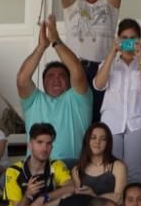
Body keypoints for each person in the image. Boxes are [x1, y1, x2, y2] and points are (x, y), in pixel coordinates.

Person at [60, 0, 122, 120]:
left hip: (101, 69)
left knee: (98, 117)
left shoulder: (109, 3)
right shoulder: (73, 2)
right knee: (75, 118)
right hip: (74, 67)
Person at [17, 14, 92, 163]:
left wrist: (56, 41)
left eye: (62, 76)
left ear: (70, 81)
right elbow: (22, 79)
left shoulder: (78, 98)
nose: (56, 79)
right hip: (36, 168)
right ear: (43, 83)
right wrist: (41, 47)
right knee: (3, 179)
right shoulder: (34, 100)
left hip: (71, 165)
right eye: (50, 76)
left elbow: (77, 70)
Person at [93, 18, 141, 183]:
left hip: (139, 123)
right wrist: (111, 54)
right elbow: (99, 85)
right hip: (111, 124)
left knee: (134, 175)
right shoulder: (108, 63)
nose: (128, 42)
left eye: (133, 38)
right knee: (111, 175)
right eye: (124, 38)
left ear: (139, 40)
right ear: (118, 39)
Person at [4, 123, 73, 206]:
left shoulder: (57, 165)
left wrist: (43, 198)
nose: (44, 148)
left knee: (69, 197)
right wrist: (28, 195)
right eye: (40, 142)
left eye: (48, 144)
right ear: (30, 145)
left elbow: (71, 187)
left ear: (52, 147)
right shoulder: (13, 171)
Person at [66, 122, 127, 206]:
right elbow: (79, 199)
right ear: (87, 141)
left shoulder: (118, 166)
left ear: (108, 143)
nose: (97, 142)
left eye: (103, 139)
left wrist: (94, 196)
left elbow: (120, 198)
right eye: (93, 137)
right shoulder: (77, 170)